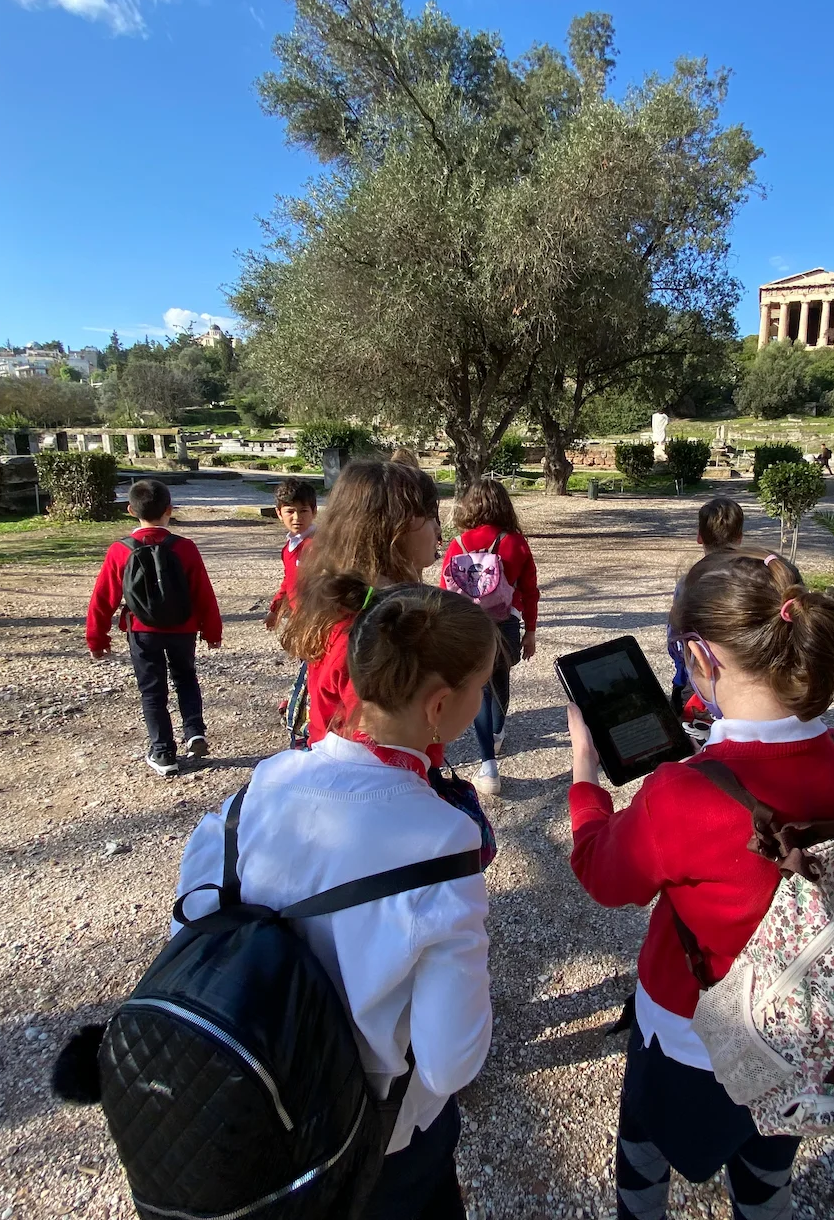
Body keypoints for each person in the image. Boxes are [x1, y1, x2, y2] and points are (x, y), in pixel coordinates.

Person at [565, 548, 834, 1220]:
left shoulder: (682, 790)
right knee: (767, 1175)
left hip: (689, 1030)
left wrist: (584, 773)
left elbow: (604, 874)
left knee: (645, 1164)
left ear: (700, 656)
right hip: (801, 1023)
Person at [173, 584, 497, 1220]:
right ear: (438, 705)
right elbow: (449, 1060)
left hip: (243, 1112)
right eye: (481, 685)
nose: (483, 698)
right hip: (374, 1147)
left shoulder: (260, 788)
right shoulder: (442, 842)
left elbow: (196, 919)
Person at [284, 459, 443, 747]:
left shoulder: (344, 604)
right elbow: (381, 745)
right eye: (430, 516)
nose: (438, 530)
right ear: (396, 529)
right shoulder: (372, 633)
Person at [86, 479, 224, 776]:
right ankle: (194, 731)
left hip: (142, 631)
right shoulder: (185, 548)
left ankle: (163, 752)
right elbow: (203, 593)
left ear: (130, 510)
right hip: (183, 629)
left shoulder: (120, 550)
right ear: (169, 510)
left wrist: (97, 638)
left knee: (152, 691)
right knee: (186, 678)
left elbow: (102, 598)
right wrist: (212, 631)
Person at [439, 480, 539, 797]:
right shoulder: (516, 544)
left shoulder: (458, 544)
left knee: (479, 689)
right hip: (505, 625)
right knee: (501, 680)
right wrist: (531, 632)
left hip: (470, 628)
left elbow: (445, 592)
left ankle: (488, 765)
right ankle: (497, 731)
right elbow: (530, 592)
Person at [666, 497, 745, 719]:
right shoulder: (750, 584)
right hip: (741, 684)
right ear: (739, 538)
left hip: (694, 685)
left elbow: (674, 639)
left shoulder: (688, 583)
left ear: (699, 537)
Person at [265, 478, 320, 749]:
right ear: (279, 512)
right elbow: (288, 582)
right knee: (307, 666)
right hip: (300, 620)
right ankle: (303, 706)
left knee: (317, 668)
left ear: (314, 512)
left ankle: (312, 722)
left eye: (303, 511)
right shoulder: (289, 547)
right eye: (290, 511)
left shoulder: (318, 545)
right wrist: (276, 608)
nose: (297, 517)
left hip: (319, 619)